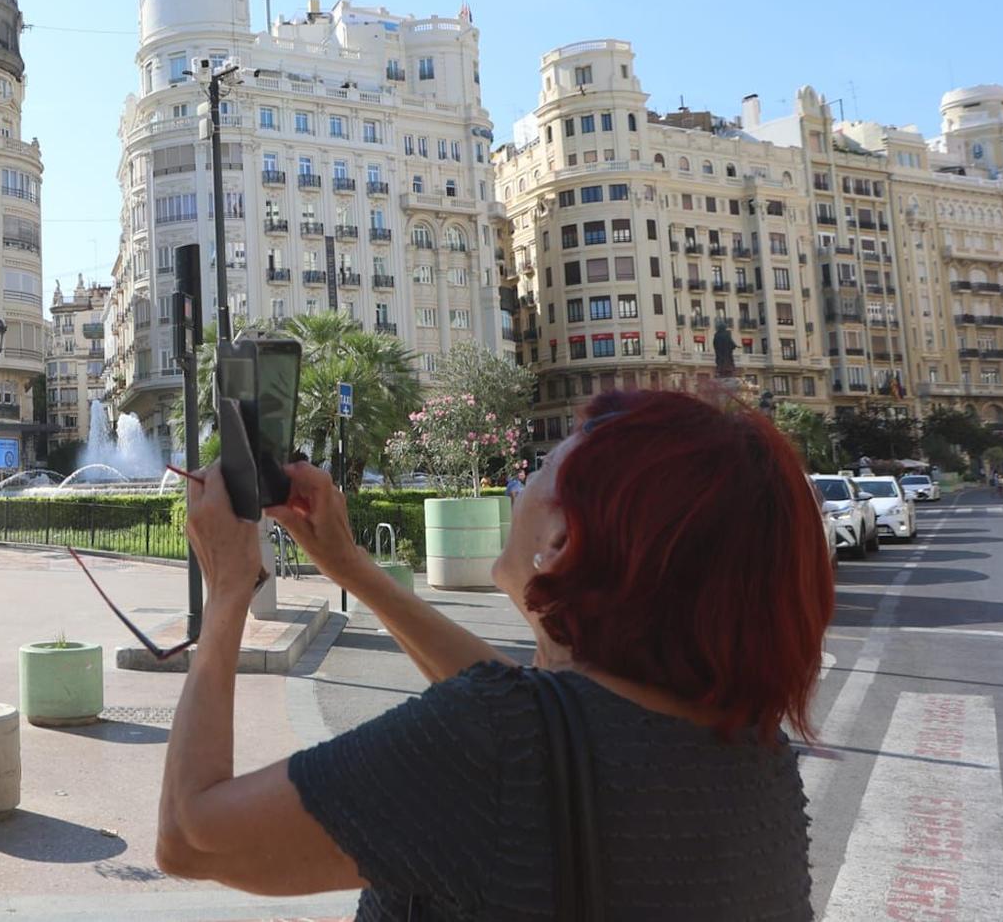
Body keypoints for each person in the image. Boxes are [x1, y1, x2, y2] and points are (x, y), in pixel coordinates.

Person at [155, 389, 832, 919]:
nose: (521, 487)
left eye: (541, 469)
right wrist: (351, 565)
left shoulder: (495, 745)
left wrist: (226, 594)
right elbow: (545, 723)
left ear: (563, 541)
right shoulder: (756, 755)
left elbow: (191, 833)